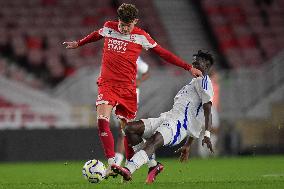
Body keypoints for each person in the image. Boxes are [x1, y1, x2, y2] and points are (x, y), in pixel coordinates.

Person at [63, 3, 202, 174]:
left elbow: (164, 53)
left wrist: (188, 67)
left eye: (128, 25)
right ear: (118, 20)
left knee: (128, 131)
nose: (124, 28)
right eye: (121, 24)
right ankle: (112, 161)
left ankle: (149, 165)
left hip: (128, 90)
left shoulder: (141, 36)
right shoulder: (109, 27)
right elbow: (95, 35)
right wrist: (79, 43)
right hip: (107, 85)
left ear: (135, 21)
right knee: (102, 120)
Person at [111, 50, 214, 184]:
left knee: (153, 141)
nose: (193, 63)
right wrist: (188, 145)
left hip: (178, 125)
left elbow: (207, 109)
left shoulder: (204, 81)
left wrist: (207, 134)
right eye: (193, 60)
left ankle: (129, 169)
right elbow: (196, 115)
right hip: (167, 117)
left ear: (206, 64)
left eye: (197, 60)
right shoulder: (193, 83)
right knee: (129, 128)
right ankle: (153, 166)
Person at [114, 56, 150, 166]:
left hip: (131, 96)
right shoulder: (115, 54)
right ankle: (146, 155)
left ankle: (117, 163)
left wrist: (139, 80)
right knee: (124, 131)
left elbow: (146, 72)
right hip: (116, 94)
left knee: (124, 131)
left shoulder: (135, 58)